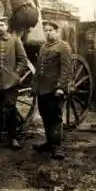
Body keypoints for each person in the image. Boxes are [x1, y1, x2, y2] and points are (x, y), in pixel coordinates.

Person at [0, 16, 28, 149]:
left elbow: (22, 60)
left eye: (2, 25)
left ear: (7, 26)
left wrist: (16, 75)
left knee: (10, 108)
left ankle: (12, 137)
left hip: (10, 81)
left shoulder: (14, 40)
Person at [31, 20, 73, 160]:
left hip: (55, 89)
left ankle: (57, 147)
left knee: (55, 117)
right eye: (46, 30)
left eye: (50, 30)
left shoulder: (63, 47)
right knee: (45, 115)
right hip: (43, 89)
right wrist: (34, 86)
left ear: (57, 31)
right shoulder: (43, 47)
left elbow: (66, 69)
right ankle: (49, 143)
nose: (48, 33)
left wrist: (61, 87)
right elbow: (38, 70)